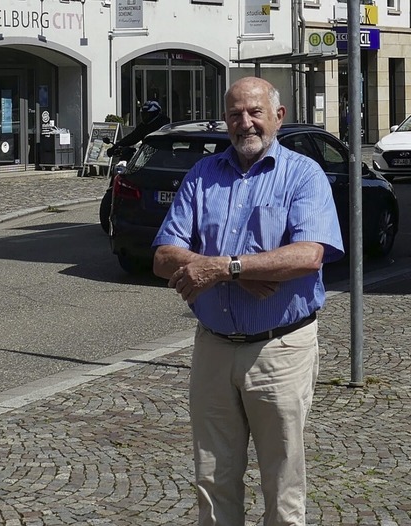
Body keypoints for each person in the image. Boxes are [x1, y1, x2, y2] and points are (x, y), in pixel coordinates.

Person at [151, 77, 345, 525]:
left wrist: (226, 269)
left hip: (280, 349)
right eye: (236, 114)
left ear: (277, 117)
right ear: (226, 120)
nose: (245, 123)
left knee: (282, 481)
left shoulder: (303, 174)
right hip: (214, 347)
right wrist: (244, 270)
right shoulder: (203, 176)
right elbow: (164, 255)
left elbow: (309, 254)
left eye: (255, 112)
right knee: (213, 477)